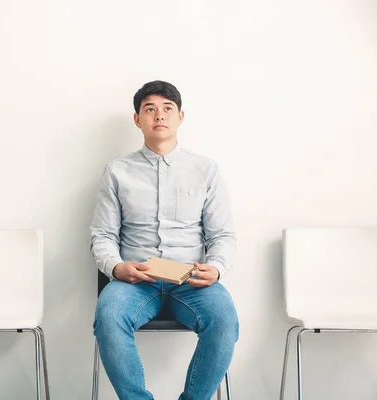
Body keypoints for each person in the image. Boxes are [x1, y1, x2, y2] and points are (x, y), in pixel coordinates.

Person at [90, 80, 239, 400]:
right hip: (136, 279)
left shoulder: (206, 170)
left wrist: (216, 268)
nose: (159, 115)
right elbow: (102, 235)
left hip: (191, 279)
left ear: (180, 117)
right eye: (150, 109)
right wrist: (117, 268)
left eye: (167, 108)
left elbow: (222, 234)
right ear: (137, 119)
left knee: (224, 318)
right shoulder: (117, 172)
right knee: (108, 315)